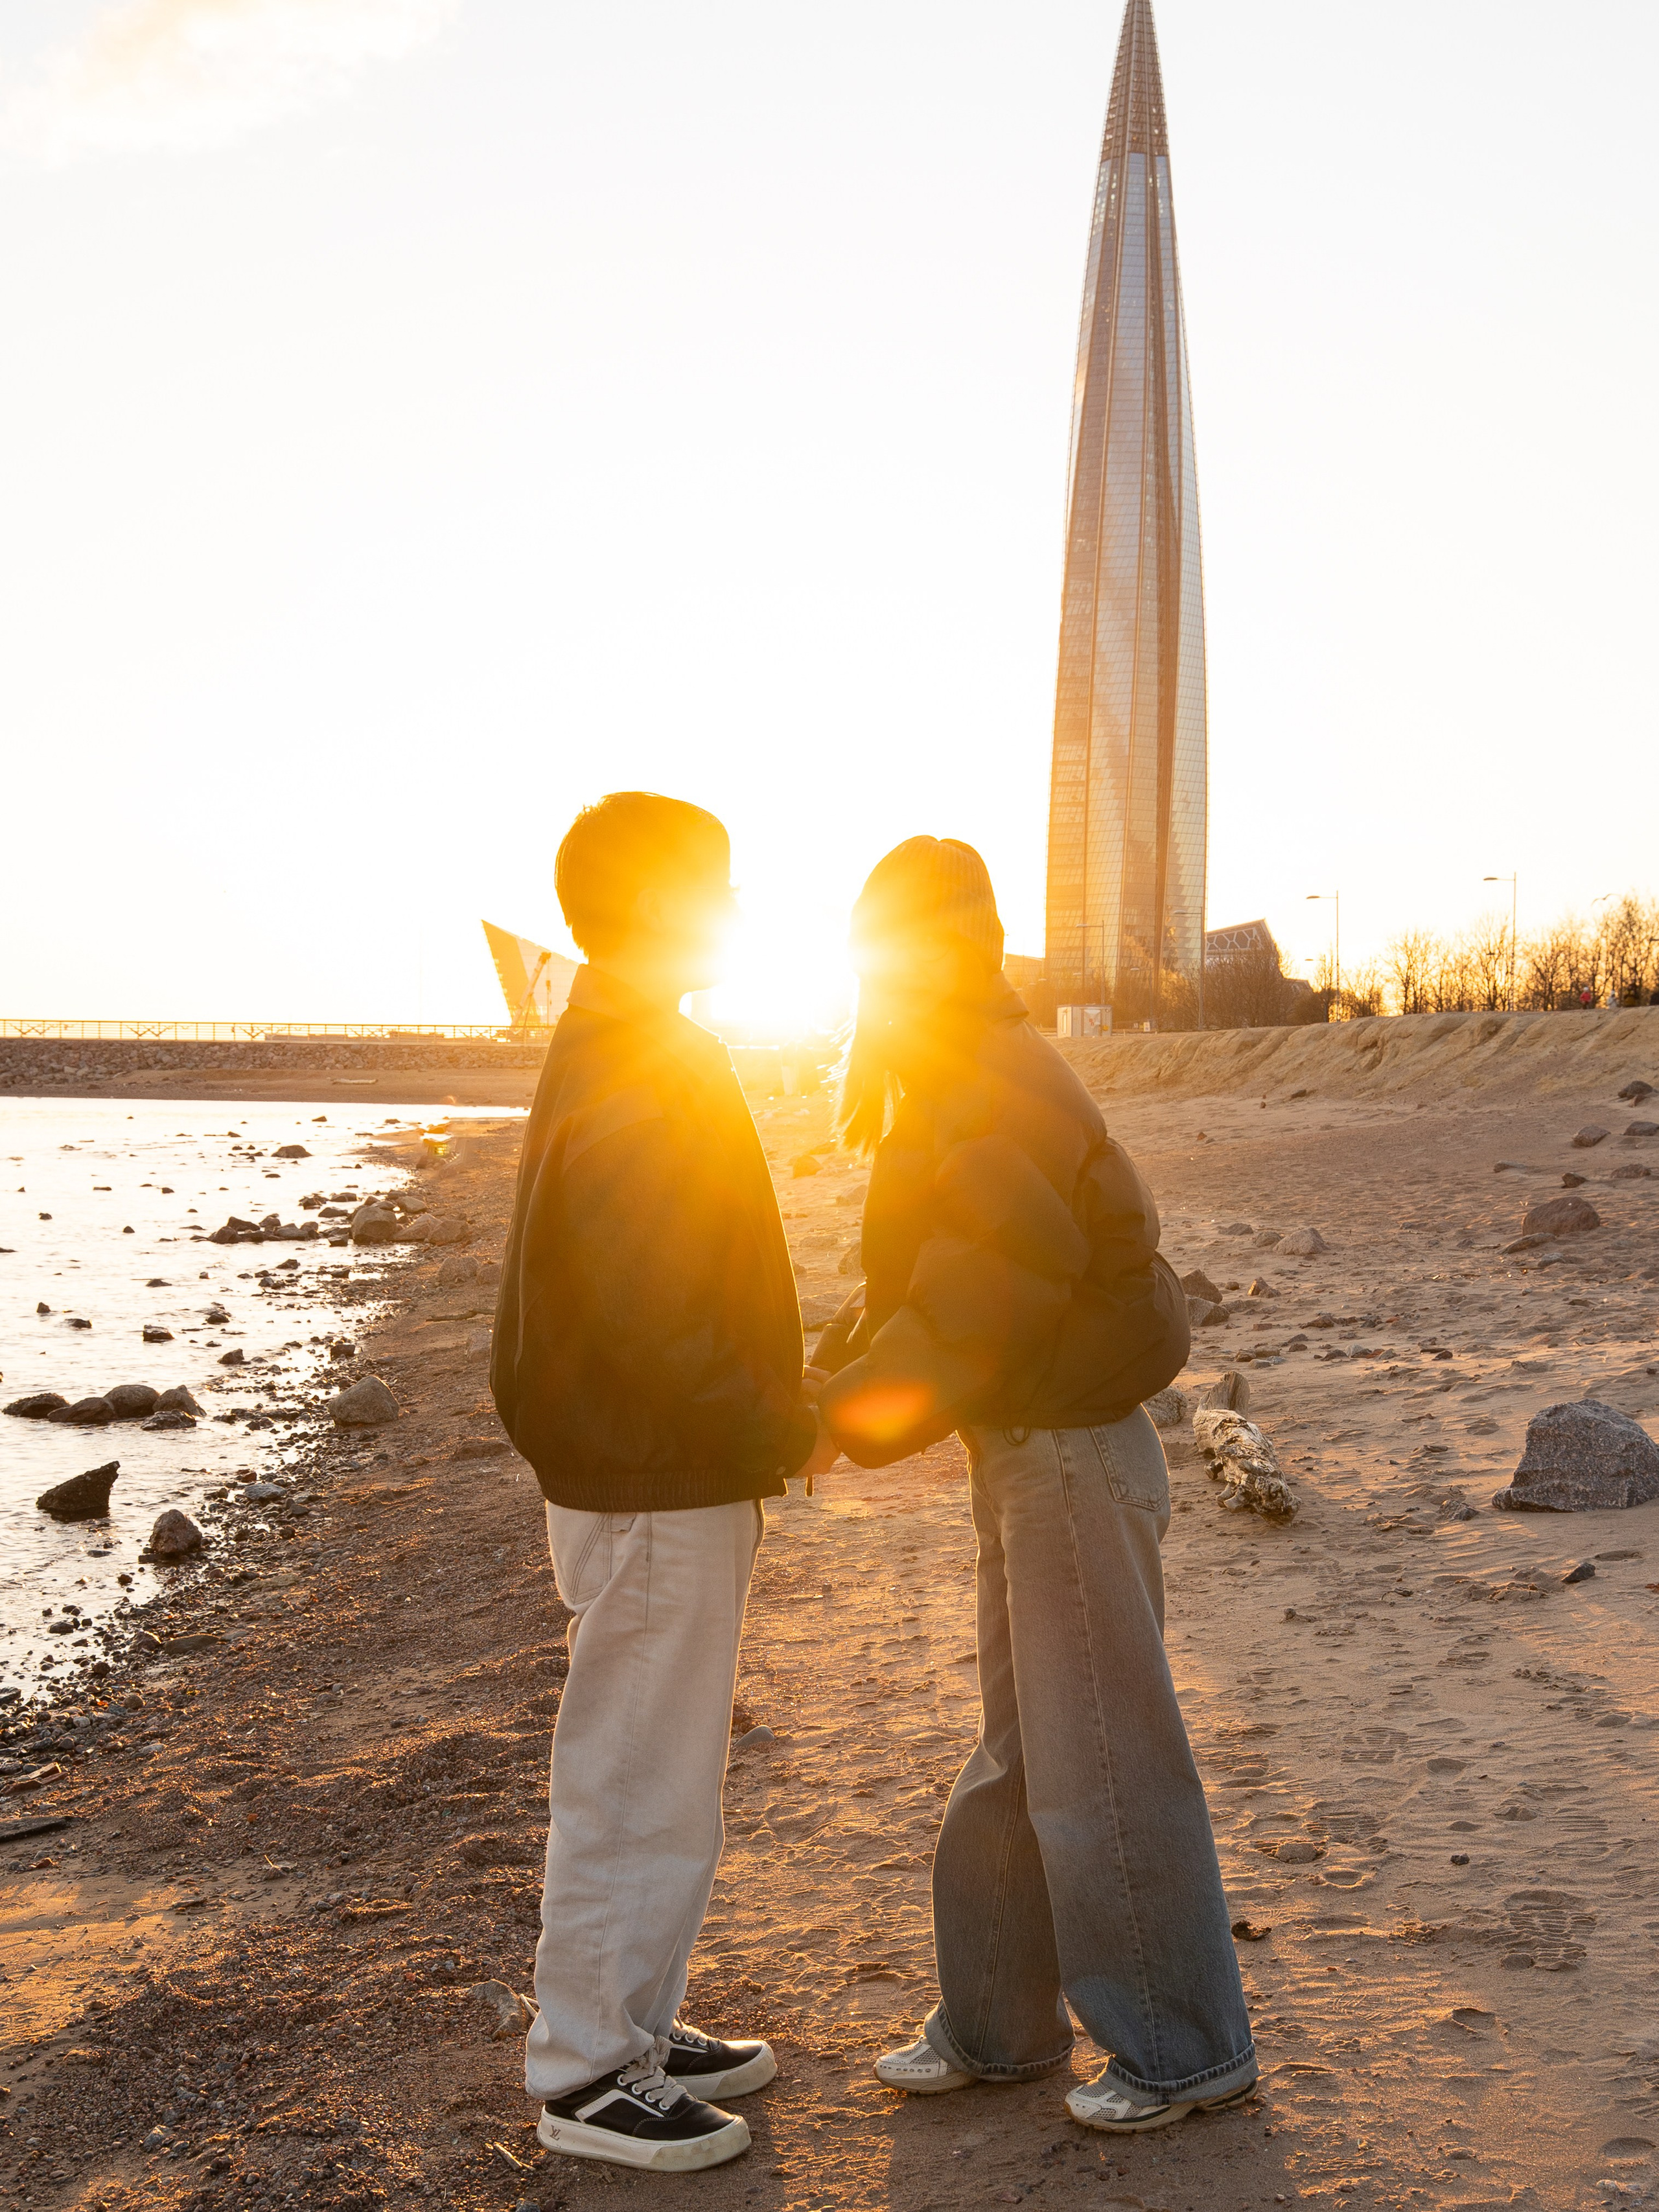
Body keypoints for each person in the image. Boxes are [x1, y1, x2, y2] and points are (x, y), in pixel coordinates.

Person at [809, 837, 1257, 2136]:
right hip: (1031, 1447)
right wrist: (833, 1363)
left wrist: (827, 1424)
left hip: (1064, 1447)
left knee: (1101, 1754)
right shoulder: (952, 1073)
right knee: (1026, 1748)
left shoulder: (983, 1074)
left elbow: (979, 1299)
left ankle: (1181, 2047)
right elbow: (928, 1279)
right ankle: (1000, 2025)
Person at [491, 792, 837, 2172]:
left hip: (658, 1459)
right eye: (718, 889)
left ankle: (632, 2026)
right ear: (650, 908)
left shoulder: (633, 1040)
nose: (739, 914)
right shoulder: (632, 1057)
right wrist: (785, 1424)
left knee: (664, 1763)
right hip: (647, 1465)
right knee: (634, 1765)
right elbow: (650, 1306)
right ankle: (585, 2071)